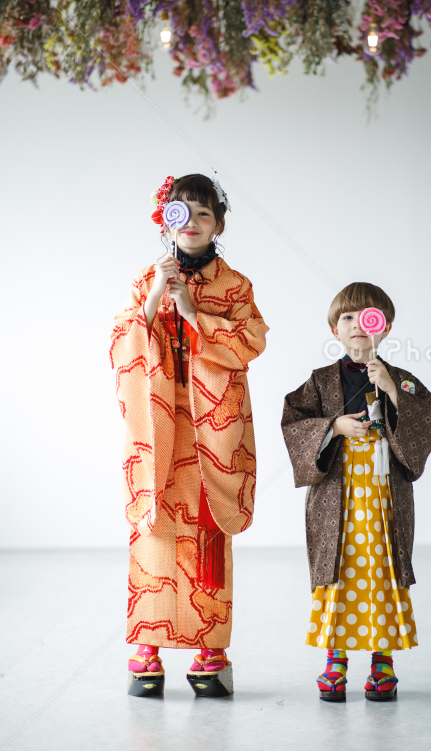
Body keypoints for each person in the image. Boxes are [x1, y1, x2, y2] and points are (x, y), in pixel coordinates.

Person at [110, 173, 269, 697]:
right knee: (155, 527)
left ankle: (211, 651)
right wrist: (158, 292)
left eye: (205, 213)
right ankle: (147, 650)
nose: (194, 222)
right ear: (166, 220)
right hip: (160, 426)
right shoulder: (144, 279)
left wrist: (193, 313)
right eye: (183, 212)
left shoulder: (235, 286)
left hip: (211, 426)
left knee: (206, 529)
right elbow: (124, 344)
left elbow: (251, 341)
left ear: (218, 224)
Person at [281, 282, 431, 702]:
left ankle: (383, 661)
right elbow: (294, 422)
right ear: (335, 329)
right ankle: (335, 661)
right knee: (338, 571)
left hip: (384, 491)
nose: (357, 325)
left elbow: (429, 419)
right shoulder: (319, 382)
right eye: (347, 318)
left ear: (383, 327)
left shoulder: (402, 380)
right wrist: (334, 426)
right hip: (338, 491)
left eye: (366, 317)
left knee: (382, 570)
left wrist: (390, 387)